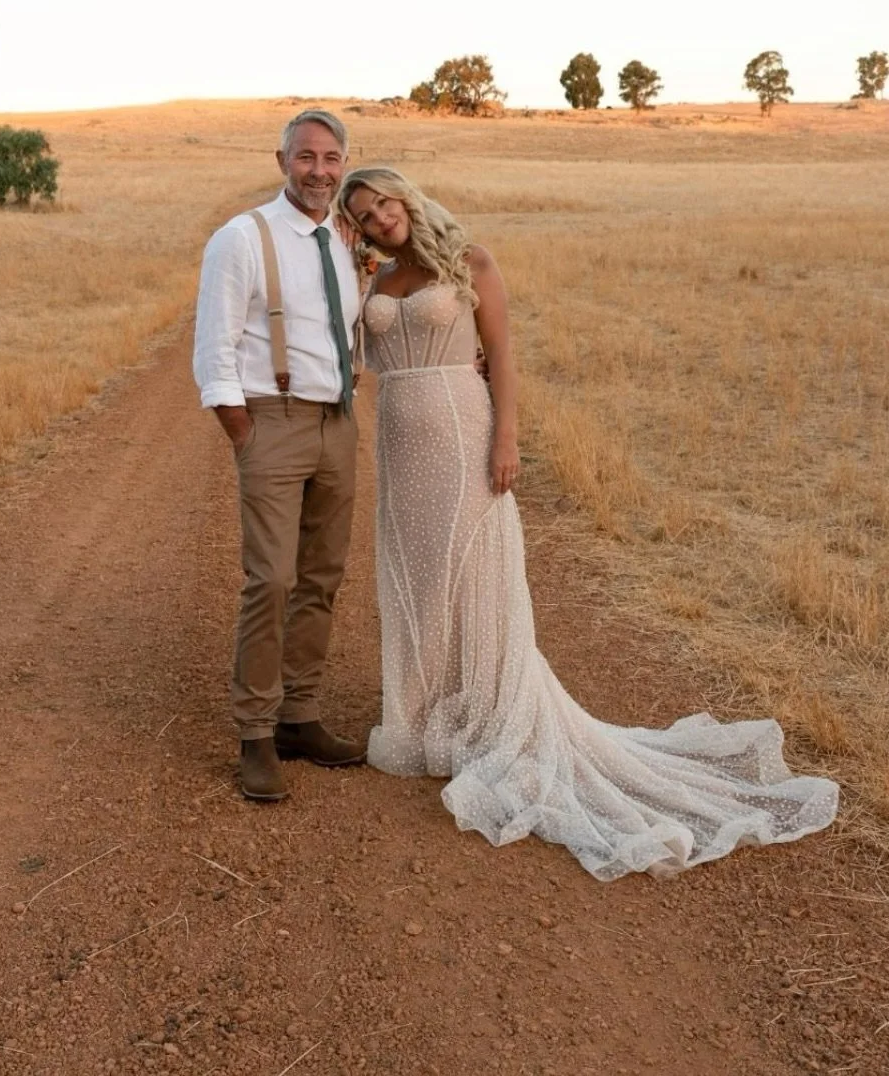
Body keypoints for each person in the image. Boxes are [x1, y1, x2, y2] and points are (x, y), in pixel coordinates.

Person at [336, 166, 839, 880]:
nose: (380, 217)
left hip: (462, 432)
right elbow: (357, 365)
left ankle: (489, 710)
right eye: (364, 212)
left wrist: (505, 439)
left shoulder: (470, 262)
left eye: (384, 201)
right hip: (400, 442)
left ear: (406, 199)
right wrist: (353, 282)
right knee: (416, 577)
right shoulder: (375, 284)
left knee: (472, 570)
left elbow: (503, 359)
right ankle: (420, 717)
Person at [193, 110, 366, 801]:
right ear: (281, 160)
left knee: (322, 577)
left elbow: (350, 330)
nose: (318, 171)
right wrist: (245, 432)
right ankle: (255, 733)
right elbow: (214, 349)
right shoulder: (242, 238)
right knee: (271, 579)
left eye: (330, 158)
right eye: (305, 157)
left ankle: (300, 716)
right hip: (272, 420)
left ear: (343, 163)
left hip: (338, 422)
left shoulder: (347, 239)